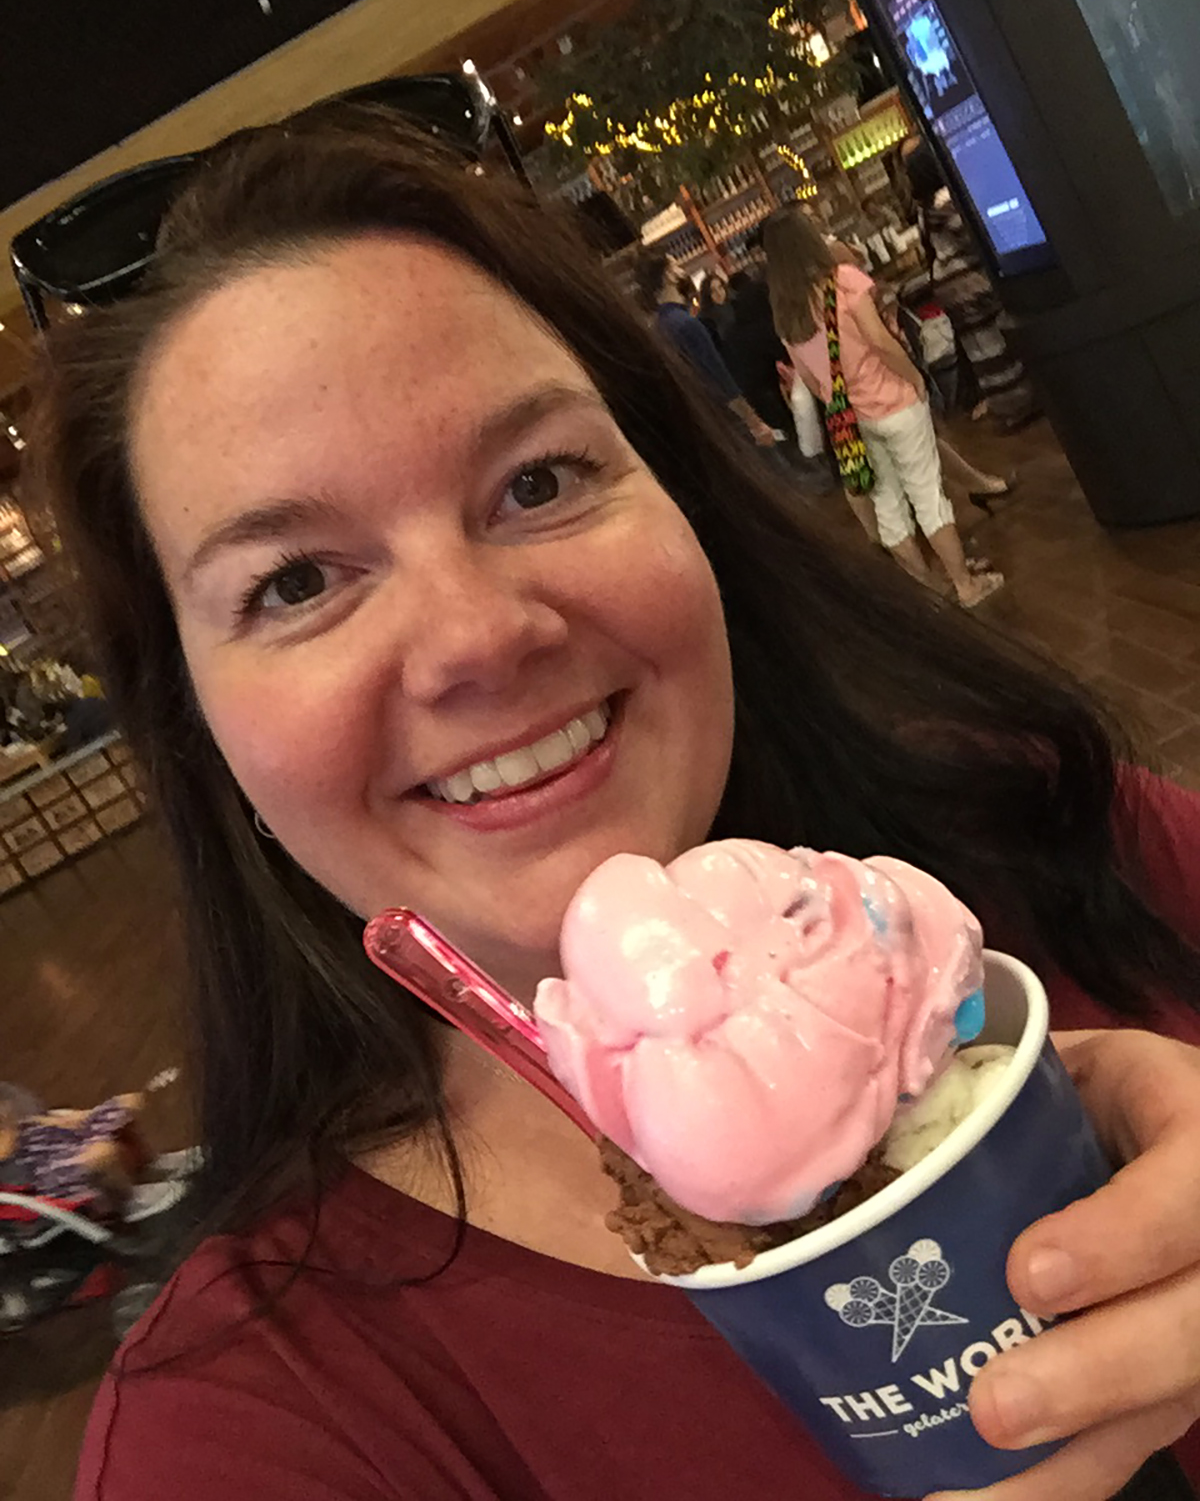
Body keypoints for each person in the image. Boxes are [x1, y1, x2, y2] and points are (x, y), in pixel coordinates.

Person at [31, 104, 1200, 1501]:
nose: (478, 636)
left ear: (681, 495)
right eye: (292, 582)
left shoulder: (1067, 841)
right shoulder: (251, 1426)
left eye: (538, 481)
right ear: (197, 727)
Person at [764, 204, 1003, 608]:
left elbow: (811, 381)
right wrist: (913, 377)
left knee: (889, 507)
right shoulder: (842, 282)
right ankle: (966, 585)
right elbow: (878, 340)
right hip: (893, 402)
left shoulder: (786, 315)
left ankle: (933, 590)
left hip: (854, 421)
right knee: (928, 495)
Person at [902, 140, 1041, 431]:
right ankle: (1021, 402)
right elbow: (970, 236)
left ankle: (1006, 408)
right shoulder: (945, 199)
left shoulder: (924, 208)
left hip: (948, 288)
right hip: (969, 282)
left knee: (981, 353)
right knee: (999, 346)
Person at [633, 249, 777, 447]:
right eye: (675, 265)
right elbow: (720, 378)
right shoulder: (686, 324)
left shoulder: (660, 326)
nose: (681, 270)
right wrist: (754, 422)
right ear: (668, 276)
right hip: (727, 417)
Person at [697, 270, 735, 350]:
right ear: (707, 295)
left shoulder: (734, 303)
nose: (719, 293)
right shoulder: (706, 318)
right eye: (713, 291)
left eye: (720, 287)